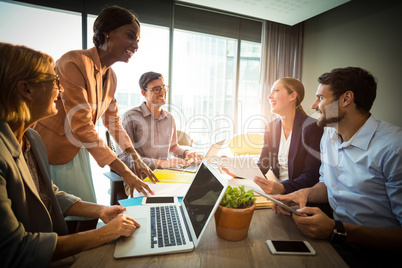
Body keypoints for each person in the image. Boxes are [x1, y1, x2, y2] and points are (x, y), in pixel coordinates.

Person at [0, 42, 139, 267]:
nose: (61, 89)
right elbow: (15, 250)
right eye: (54, 82)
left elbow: (48, 193)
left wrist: (102, 210)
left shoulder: (32, 139)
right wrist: (104, 234)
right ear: (26, 89)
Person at [33, 6, 157, 233]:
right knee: (60, 217)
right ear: (107, 31)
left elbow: (113, 122)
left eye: (137, 40)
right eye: (130, 36)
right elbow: (80, 124)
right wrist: (126, 172)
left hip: (76, 148)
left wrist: (134, 156)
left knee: (87, 213)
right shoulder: (73, 62)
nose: (136, 45)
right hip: (49, 147)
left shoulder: (111, 77)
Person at [271, 67, 402, 267]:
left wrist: (336, 230)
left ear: (346, 99)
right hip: (336, 241)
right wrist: (304, 193)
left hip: (377, 255)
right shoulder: (328, 136)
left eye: (320, 98)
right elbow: (327, 183)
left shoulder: (394, 149)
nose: (314, 105)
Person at [118, 71, 202, 174]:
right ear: (144, 93)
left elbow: (173, 147)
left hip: (166, 174)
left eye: (163, 88)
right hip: (140, 178)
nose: (162, 92)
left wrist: (186, 152)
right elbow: (124, 158)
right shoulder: (130, 117)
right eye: (156, 89)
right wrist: (161, 163)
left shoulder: (169, 118)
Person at [254, 77, 323, 194]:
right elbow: (263, 164)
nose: (269, 96)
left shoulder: (313, 128)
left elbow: (311, 175)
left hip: (299, 196)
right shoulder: (270, 127)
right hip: (277, 192)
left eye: (275, 91)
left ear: (292, 96)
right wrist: (238, 172)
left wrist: (282, 188)